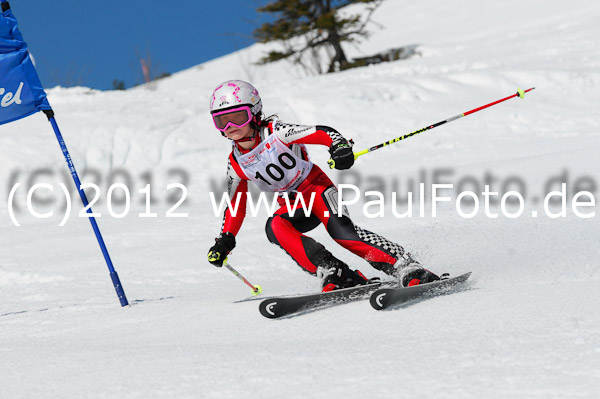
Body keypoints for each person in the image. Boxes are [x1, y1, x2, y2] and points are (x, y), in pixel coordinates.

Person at [207, 80, 440, 291]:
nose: (229, 126)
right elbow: (235, 205)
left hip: (317, 190)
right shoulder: (236, 161)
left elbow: (322, 133)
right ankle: (334, 271)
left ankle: (403, 264)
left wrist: (338, 147)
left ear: (255, 112)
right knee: (275, 226)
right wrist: (226, 239)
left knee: (342, 233)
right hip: (293, 204)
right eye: (221, 121)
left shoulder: (277, 132)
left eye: (238, 117)